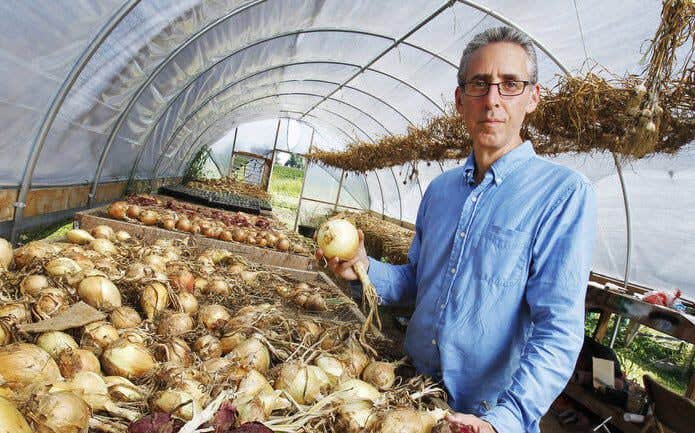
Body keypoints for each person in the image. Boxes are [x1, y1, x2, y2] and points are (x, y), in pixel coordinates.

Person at [317, 26, 596, 433]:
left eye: (511, 84)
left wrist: (505, 420)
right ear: (459, 99)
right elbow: (416, 281)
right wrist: (362, 266)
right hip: (406, 395)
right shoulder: (440, 191)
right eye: (480, 84)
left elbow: (558, 331)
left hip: (482, 416)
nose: (493, 100)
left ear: (533, 97)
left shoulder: (563, 195)